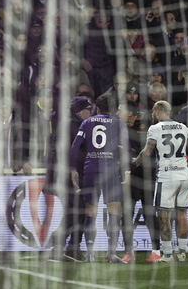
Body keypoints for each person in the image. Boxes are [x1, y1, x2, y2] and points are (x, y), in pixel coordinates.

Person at [132, 100, 188, 263]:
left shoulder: (155, 128)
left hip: (167, 176)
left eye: (154, 111)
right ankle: (181, 252)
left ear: (158, 111)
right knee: (182, 214)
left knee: (163, 216)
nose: (153, 114)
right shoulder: (183, 127)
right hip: (184, 175)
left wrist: (136, 161)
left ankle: (167, 255)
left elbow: (148, 151)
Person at [70, 95, 131, 263]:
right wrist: (127, 170)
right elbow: (126, 148)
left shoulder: (87, 122)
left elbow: (75, 147)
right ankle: (111, 253)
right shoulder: (119, 123)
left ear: (97, 108)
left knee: (90, 211)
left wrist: (73, 168)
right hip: (110, 170)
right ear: (112, 109)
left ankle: (90, 253)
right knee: (114, 210)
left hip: (91, 169)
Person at [48, 96, 92, 262]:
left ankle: (64, 249)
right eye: (89, 109)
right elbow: (70, 152)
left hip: (65, 176)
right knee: (77, 212)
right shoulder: (75, 125)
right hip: (70, 177)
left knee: (74, 212)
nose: (91, 112)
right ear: (80, 111)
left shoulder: (67, 123)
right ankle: (66, 247)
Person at [117, 101, 161, 262]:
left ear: (129, 113)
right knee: (126, 214)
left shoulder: (147, 127)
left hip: (147, 176)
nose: (117, 113)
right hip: (129, 177)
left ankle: (156, 251)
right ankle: (129, 252)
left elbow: (148, 151)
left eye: (120, 110)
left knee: (150, 214)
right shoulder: (120, 128)